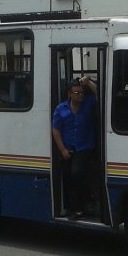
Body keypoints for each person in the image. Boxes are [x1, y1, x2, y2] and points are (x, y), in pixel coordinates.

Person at [52, 76, 97, 219]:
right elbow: (56, 130)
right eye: (76, 93)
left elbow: (100, 95)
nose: (80, 95)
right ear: (70, 94)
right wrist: (62, 150)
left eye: (81, 92)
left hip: (84, 147)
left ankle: (88, 200)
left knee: (76, 172)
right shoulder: (61, 108)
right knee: (68, 178)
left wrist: (88, 82)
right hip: (67, 148)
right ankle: (76, 208)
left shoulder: (88, 104)